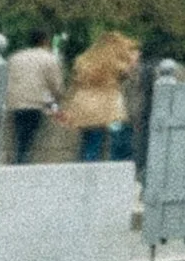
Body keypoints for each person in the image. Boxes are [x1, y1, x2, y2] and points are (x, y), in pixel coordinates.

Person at [57, 30, 139, 162]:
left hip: (85, 108)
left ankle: (84, 175)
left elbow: (74, 84)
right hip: (109, 108)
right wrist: (132, 60)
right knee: (119, 142)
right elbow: (129, 74)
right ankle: (115, 174)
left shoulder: (83, 60)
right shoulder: (115, 62)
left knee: (91, 143)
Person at [2, 31, 63, 163]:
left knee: (19, 134)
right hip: (35, 103)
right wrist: (58, 100)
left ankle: (17, 160)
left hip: (14, 102)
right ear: (45, 41)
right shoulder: (49, 58)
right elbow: (56, 86)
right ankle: (21, 162)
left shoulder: (15, 57)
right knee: (28, 137)